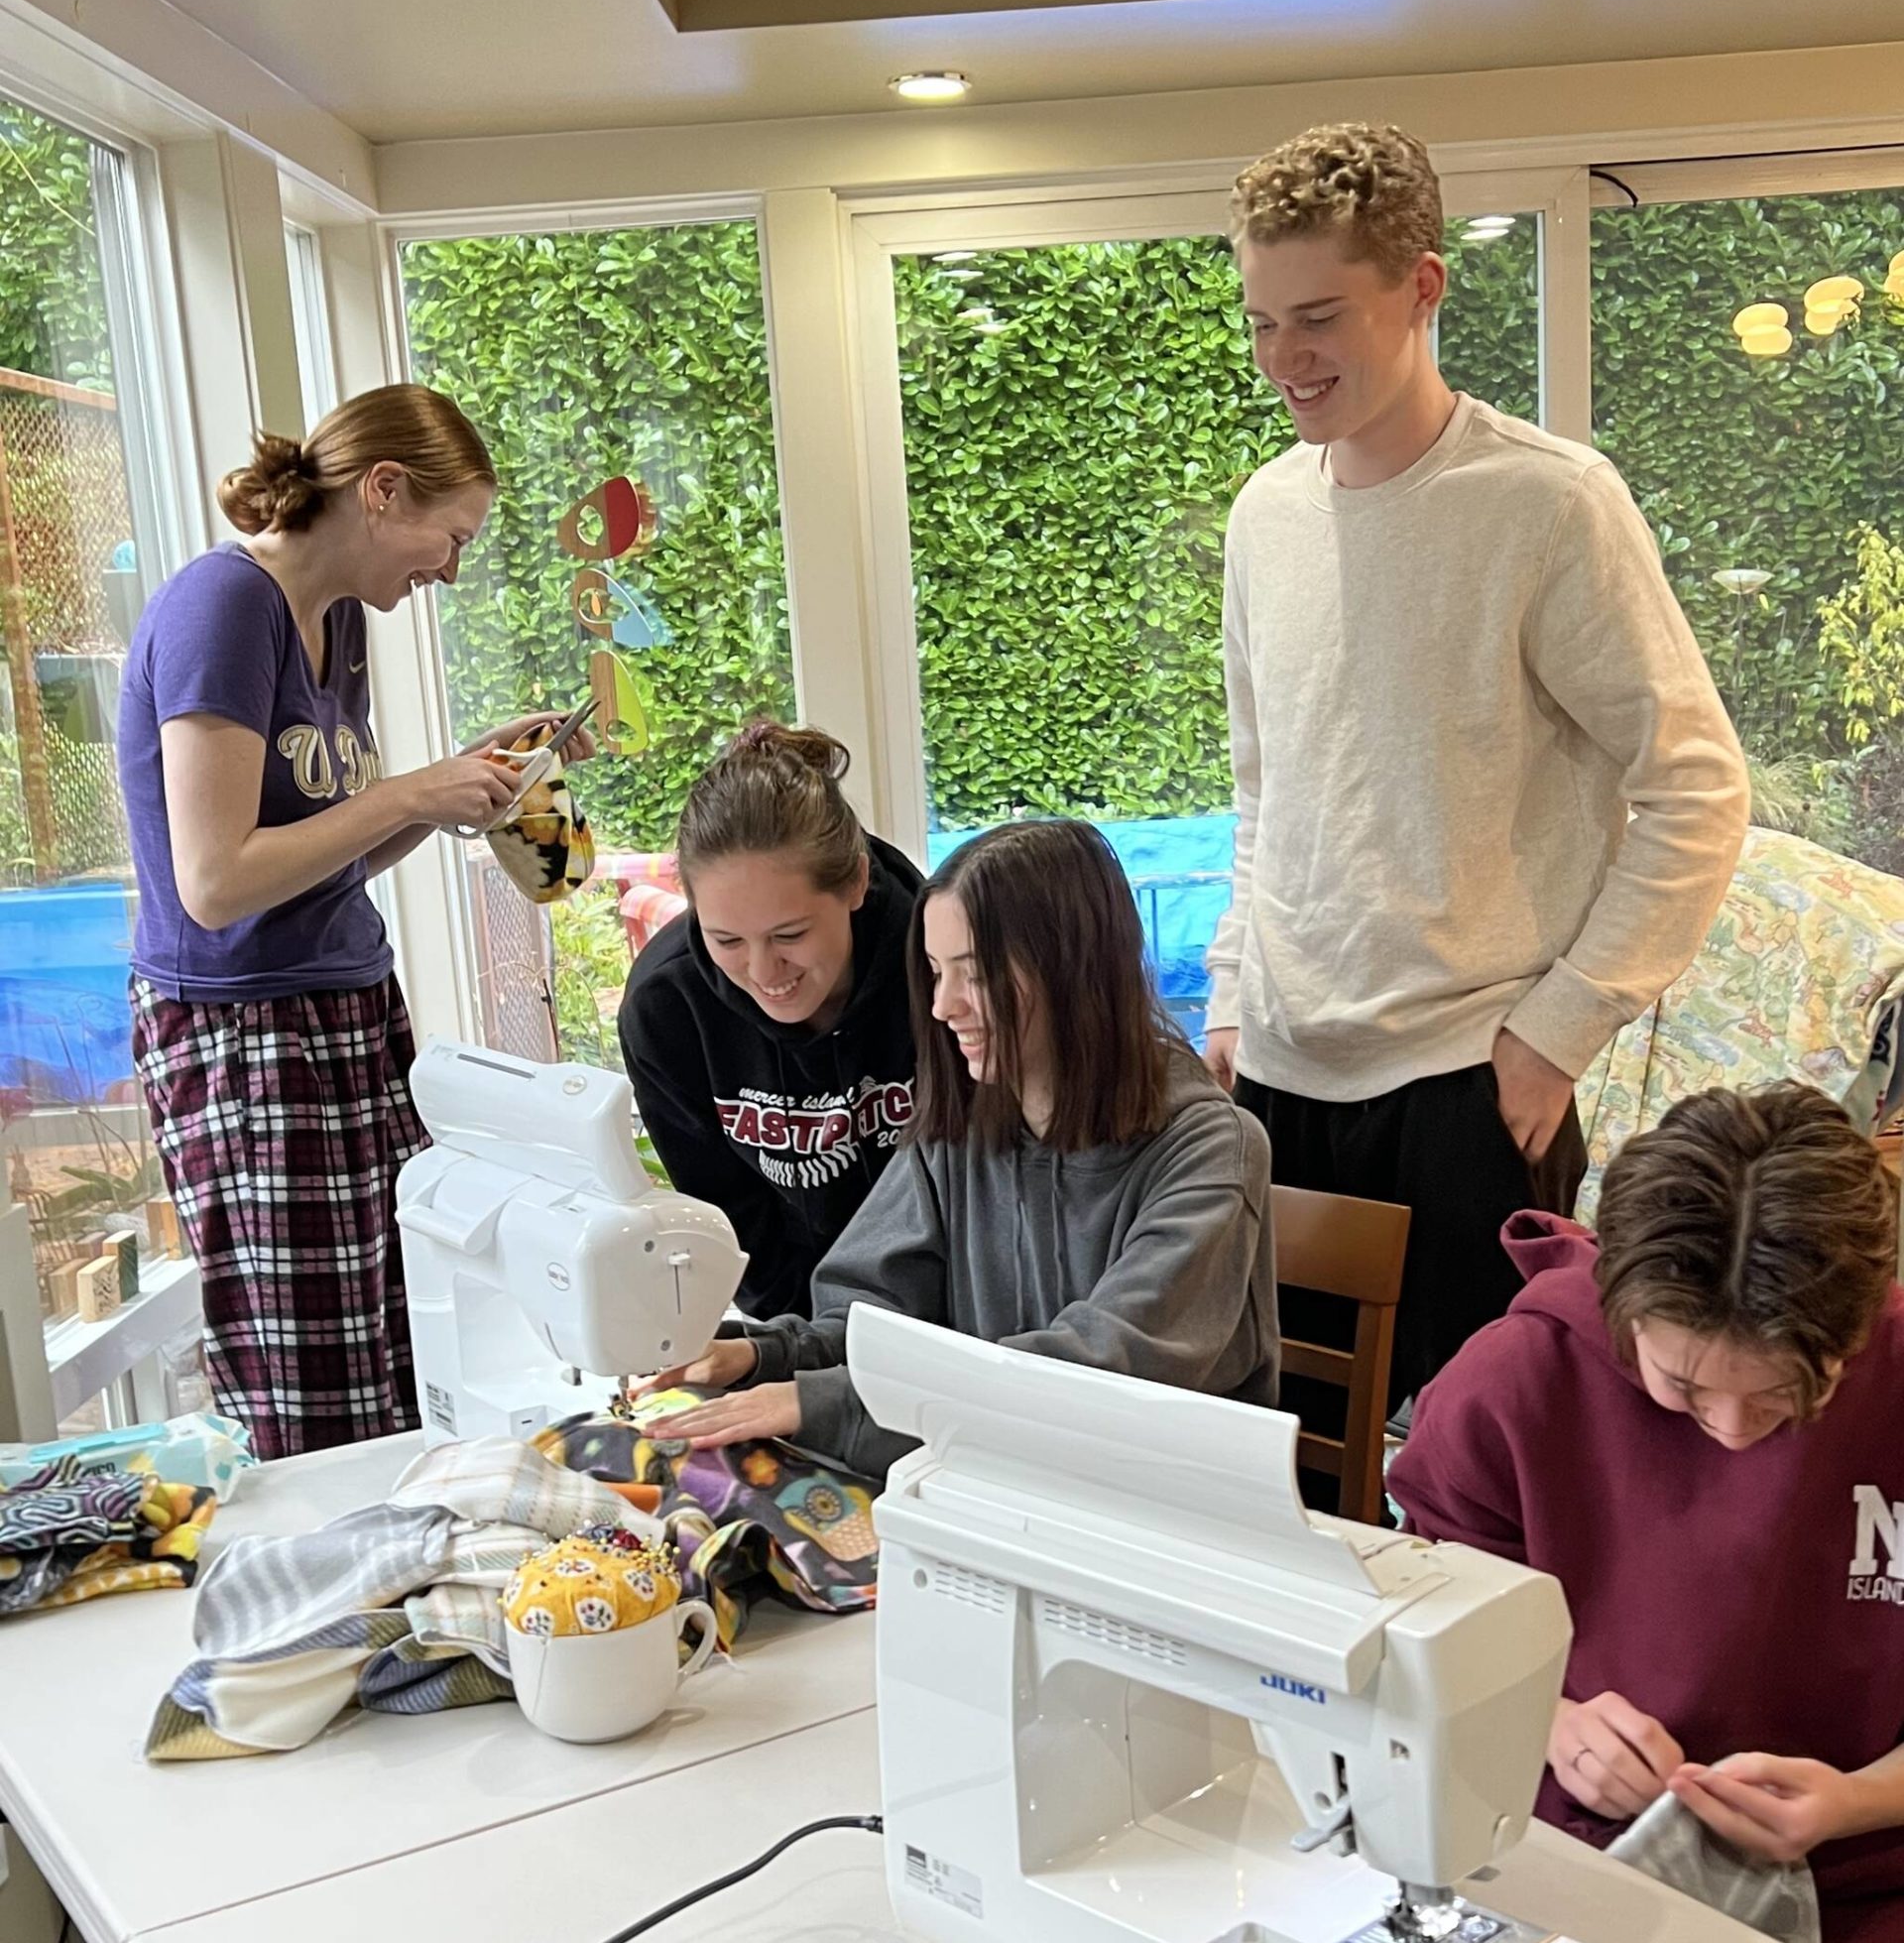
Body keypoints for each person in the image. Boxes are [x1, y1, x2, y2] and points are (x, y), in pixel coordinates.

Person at [1203, 120, 1750, 1414]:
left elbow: (1696, 788)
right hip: (1281, 1078)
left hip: (1470, 1092)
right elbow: (1262, 790)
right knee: (1292, 1476)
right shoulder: (1262, 514)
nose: (1286, 358)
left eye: (1321, 316)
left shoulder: (1551, 504)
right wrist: (1232, 994)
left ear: (1423, 288)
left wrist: (1556, 1036)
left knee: (1480, 1503)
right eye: (1263, 320)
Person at [118, 383, 569, 1460]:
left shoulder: (339, 624)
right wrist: (415, 789)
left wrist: (470, 786)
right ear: (380, 490)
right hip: (246, 1037)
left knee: (400, 1347)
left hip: (349, 1010)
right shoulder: (222, 608)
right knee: (311, 1392)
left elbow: (328, 859)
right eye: (448, 536)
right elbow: (217, 881)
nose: (448, 569)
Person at [1387, 1084, 1904, 1943]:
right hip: (1574, 1861)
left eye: (1789, 1392)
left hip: (1867, 1897)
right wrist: (1547, 1720)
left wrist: (1857, 1800)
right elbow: (1417, 1617)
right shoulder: (1516, 1384)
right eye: (1685, 1387)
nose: (1736, 1428)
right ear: (1622, 1309)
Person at [642, 818, 1280, 1486]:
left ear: (1076, 970)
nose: (944, 1007)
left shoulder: (1211, 1149)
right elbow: (873, 1311)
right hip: (996, 1489)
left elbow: (1097, 1374)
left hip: (1161, 1516)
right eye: (936, 972)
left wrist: (819, 1400)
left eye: (972, 975)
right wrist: (762, 1357)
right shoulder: (964, 1122)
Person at [616, 720, 921, 1319]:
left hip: (961, 1324)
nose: (763, 971)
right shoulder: (665, 1011)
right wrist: (806, 1350)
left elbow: (998, 1199)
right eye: (726, 938)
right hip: (800, 1321)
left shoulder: (940, 965)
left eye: (790, 934)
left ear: (856, 881)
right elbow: (730, 1218)